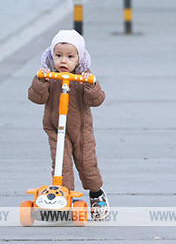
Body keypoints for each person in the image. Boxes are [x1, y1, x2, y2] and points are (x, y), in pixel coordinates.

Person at [28, 29, 109, 220]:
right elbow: (36, 97)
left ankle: (97, 195)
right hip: (56, 129)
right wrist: (41, 81)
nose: (63, 61)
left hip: (81, 130)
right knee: (61, 166)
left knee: (87, 164)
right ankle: (65, 198)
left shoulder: (82, 78)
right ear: (51, 56)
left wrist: (91, 85)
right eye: (58, 56)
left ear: (79, 59)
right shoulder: (50, 77)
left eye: (70, 56)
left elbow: (97, 100)